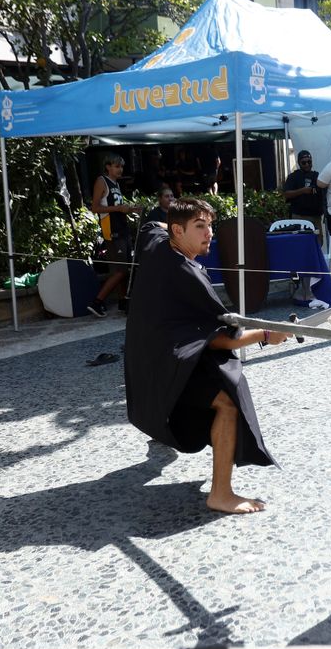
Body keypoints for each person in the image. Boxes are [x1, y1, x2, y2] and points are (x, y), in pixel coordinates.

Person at [124, 199, 291, 514]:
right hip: (168, 365)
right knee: (226, 401)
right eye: (200, 227)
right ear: (178, 230)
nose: (209, 234)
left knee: (206, 388)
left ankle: (163, 433)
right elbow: (222, 340)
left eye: (210, 225)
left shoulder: (157, 243)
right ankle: (221, 494)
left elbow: (150, 226)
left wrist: (178, 220)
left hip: (147, 357)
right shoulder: (185, 271)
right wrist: (268, 335)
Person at [88, 153, 144, 317]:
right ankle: (97, 302)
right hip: (112, 231)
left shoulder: (116, 184)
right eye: (117, 166)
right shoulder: (101, 181)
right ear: (108, 166)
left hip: (122, 229)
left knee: (124, 269)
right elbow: (95, 208)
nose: (120, 169)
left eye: (121, 166)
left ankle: (122, 300)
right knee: (120, 270)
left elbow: (117, 207)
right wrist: (119, 209)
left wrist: (131, 209)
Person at [280, 150, 324, 224]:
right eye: (304, 163)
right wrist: (302, 191)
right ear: (299, 163)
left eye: (309, 162)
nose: (307, 164)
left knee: (317, 236)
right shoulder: (293, 176)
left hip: (315, 216)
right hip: (298, 216)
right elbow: (286, 194)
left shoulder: (317, 175)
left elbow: (321, 192)